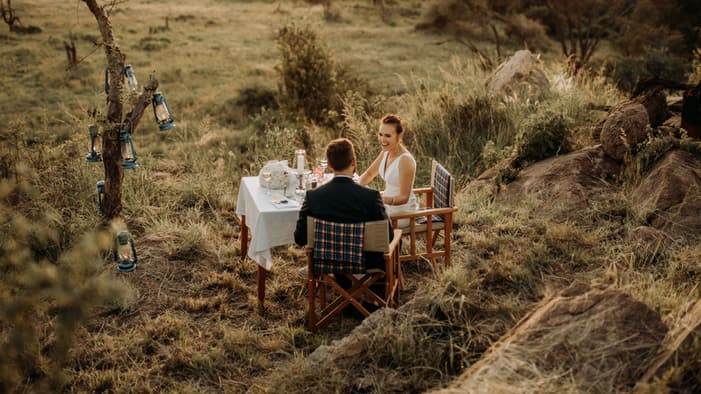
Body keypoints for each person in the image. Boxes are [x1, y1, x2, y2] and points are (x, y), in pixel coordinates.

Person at [294, 138, 393, 301]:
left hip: (327, 262)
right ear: (354, 161)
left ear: (330, 165)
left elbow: (300, 238)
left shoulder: (313, 197)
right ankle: (373, 294)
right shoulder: (371, 196)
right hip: (366, 263)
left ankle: (345, 293)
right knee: (396, 242)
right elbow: (387, 237)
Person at [358, 114, 418, 227]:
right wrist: (353, 187)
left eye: (388, 136)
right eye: (380, 134)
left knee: (359, 216)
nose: (382, 140)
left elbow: (404, 197)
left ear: (399, 136)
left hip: (402, 213)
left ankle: (376, 244)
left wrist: (380, 199)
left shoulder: (405, 160)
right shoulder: (385, 153)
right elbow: (369, 174)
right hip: (386, 206)